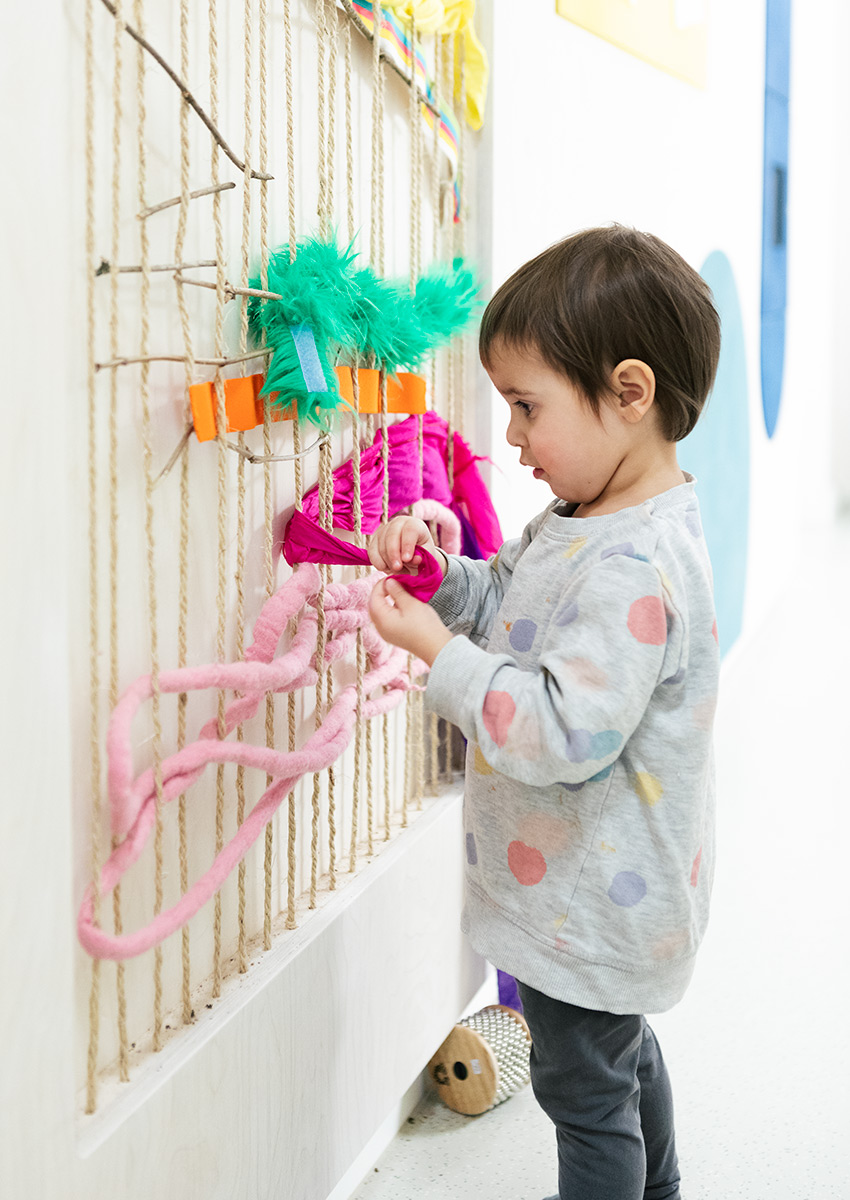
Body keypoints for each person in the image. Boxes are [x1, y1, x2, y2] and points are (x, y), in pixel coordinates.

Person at [367, 224, 721, 1200]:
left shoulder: (633, 567)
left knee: (584, 1093)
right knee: (613, 1060)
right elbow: (507, 611)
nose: (512, 436)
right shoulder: (578, 522)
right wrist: (443, 585)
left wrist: (440, 660)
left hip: (593, 907)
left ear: (630, 393)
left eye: (526, 407)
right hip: (589, 890)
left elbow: (560, 729)